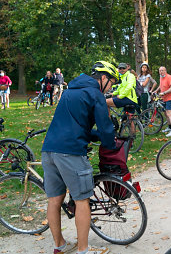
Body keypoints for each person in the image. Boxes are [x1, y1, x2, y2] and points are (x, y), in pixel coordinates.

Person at [41, 61, 120, 254]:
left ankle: (59, 246)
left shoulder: (69, 91)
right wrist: (110, 143)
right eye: (110, 83)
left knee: (54, 199)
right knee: (82, 200)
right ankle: (84, 250)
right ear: (103, 78)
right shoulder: (95, 94)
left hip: (49, 148)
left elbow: (76, 124)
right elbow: (105, 126)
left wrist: (94, 136)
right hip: (71, 153)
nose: (110, 88)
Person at [153, 66, 171, 137]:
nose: (161, 72)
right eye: (160, 70)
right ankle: (170, 127)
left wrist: (164, 93)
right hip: (164, 98)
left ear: (165, 71)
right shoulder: (161, 77)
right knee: (166, 113)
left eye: (163, 70)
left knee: (169, 113)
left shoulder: (169, 77)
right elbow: (161, 86)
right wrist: (156, 91)